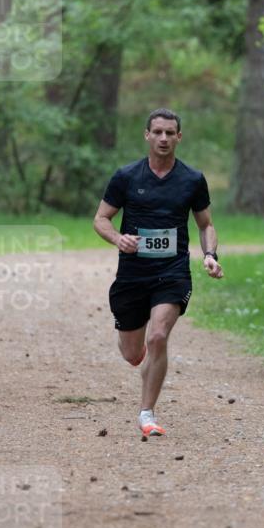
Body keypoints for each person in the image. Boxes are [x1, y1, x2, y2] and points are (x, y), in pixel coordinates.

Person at [93, 108, 223, 437]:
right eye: (158, 132)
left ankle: (147, 413)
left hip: (172, 270)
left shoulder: (192, 179)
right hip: (133, 274)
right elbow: (101, 219)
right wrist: (118, 238)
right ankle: (145, 362)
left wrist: (210, 255)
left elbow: (206, 224)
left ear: (179, 137)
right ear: (147, 135)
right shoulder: (126, 176)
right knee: (133, 352)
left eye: (170, 133)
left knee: (159, 336)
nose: (164, 138)